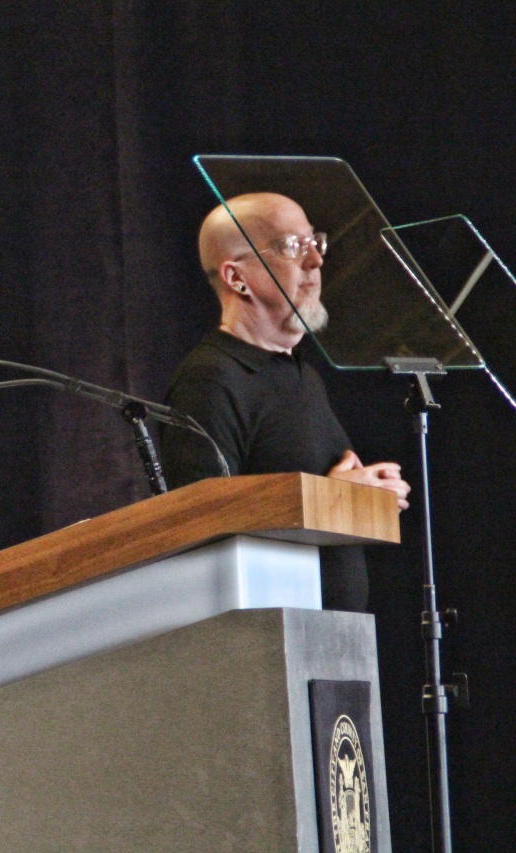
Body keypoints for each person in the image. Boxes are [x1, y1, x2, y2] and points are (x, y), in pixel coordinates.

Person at [160, 192, 410, 611]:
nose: (315, 261)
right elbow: (199, 526)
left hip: (336, 641)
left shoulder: (302, 375)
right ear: (237, 278)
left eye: (315, 242)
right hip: (265, 648)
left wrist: (368, 494)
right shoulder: (210, 380)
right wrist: (329, 497)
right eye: (291, 246)